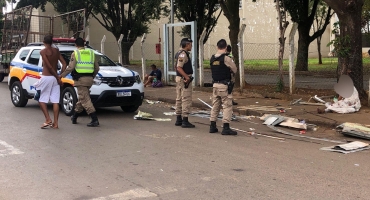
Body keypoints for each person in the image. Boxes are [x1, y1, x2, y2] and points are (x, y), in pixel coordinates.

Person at [60, 37, 100, 127]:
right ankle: (74, 116)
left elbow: (70, 67)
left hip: (80, 80)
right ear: (84, 44)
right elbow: (97, 68)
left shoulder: (76, 53)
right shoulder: (91, 52)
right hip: (89, 80)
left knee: (85, 100)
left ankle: (94, 119)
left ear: (76, 45)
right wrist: (92, 76)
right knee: (82, 98)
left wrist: (61, 76)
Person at [38, 35, 67, 129]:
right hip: (55, 79)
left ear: (43, 42)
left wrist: (57, 77)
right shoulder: (56, 51)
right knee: (55, 101)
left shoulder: (43, 52)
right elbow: (64, 64)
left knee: (42, 100)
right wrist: (60, 76)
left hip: (47, 77)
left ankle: (48, 119)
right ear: (52, 42)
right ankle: (56, 123)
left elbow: (49, 67)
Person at [209, 39, 237, 135]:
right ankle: (226, 128)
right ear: (225, 47)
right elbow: (235, 70)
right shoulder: (226, 58)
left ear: (217, 47)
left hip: (215, 85)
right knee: (227, 106)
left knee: (215, 106)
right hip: (224, 86)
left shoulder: (212, 58)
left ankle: (212, 126)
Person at [174, 38, 195, 128]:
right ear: (187, 45)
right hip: (184, 80)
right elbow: (179, 67)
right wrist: (187, 77)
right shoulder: (183, 54)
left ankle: (178, 119)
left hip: (180, 79)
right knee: (186, 99)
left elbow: (176, 67)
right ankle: (185, 120)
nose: (191, 46)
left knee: (179, 99)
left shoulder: (179, 53)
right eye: (190, 44)